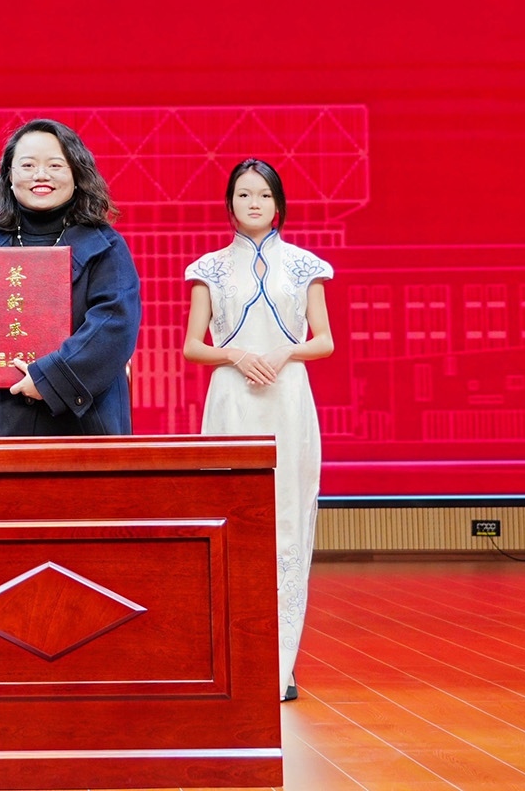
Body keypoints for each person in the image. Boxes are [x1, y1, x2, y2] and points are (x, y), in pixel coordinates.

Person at [182, 158, 334, 703]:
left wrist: (285, 350)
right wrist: (237, 356)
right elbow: (192, 346)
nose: (254, 203)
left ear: (278, 204)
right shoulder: (209, 268)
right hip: (232, 400)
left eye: (264, 195)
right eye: (244, 194)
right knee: (231, 520)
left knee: (288, 520)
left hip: (288, 400)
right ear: (230, 203)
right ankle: (235, 658)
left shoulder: (305, 266)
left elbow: (325, 340)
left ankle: (281, 663)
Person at [0, 118, 140, 436]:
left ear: (77, 174)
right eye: (28, 165)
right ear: (9, 176)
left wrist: (51, 379)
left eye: (55, 165)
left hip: (80, 423)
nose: (41, 175)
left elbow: (114, 326)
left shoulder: (105, 246)